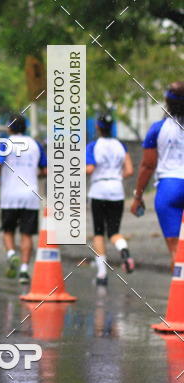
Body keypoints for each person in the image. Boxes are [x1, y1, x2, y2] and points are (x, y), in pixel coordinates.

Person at [131, 82, 184, 269]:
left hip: (169, 188)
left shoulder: (157, 129)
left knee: (176, 250)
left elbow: (147, 166)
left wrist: (138, 196)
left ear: (167, 102)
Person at [0, 113, 47, 285]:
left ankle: (11, 254)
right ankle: (24, 270)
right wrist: (32, 173)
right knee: (27, 234)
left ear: (9, 127)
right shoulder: (35, 145)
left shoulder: (5, 144)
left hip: (10, 195)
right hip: (31, 195)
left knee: (8, 231)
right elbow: (45, 171)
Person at [86, 112, 134, 284]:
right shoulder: (121, 146)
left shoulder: (93, 146)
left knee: (99, 232)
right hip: (116, 190)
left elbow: (90, 169)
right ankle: (125, 252)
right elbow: (129, 171)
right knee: (114, 231)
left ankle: (101, 274)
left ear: (98, 127)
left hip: (99, 190)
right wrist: (116, 177)